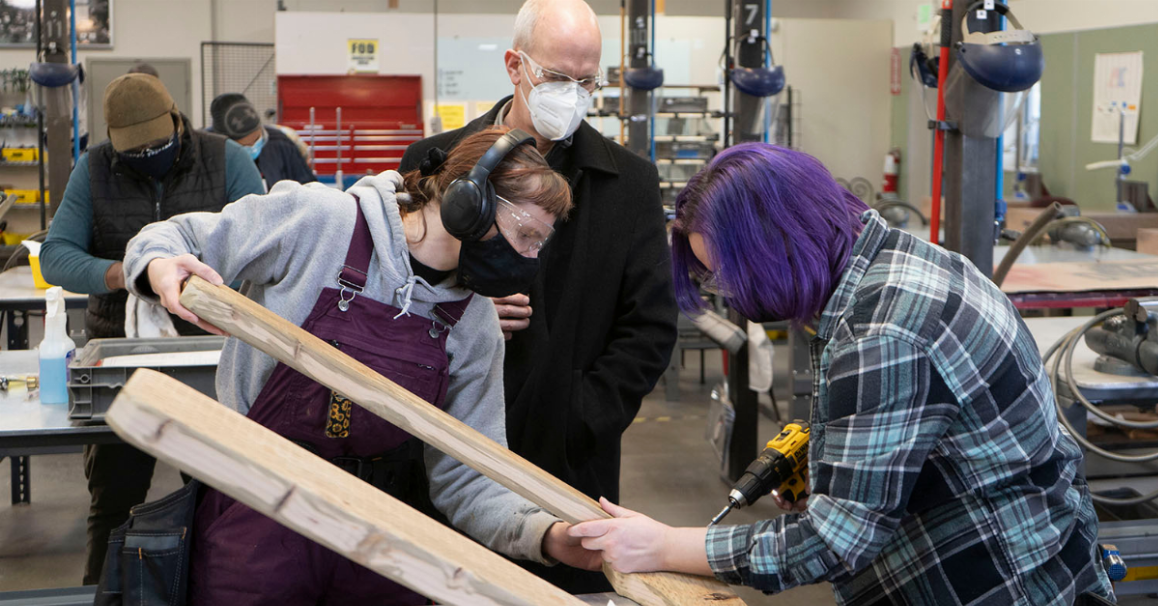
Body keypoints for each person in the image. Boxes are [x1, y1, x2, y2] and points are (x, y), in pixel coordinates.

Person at [566, 143, 1117, 606]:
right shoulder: (892, 260)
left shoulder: (883, 332)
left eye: (728, 277)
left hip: (996, 581)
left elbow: (834, 543)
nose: (730, 298)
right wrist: (841, 467)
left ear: (778, 243)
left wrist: (661, 545)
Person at [121, 127, 601, 604]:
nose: (530, 258)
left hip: (381, 531)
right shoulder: (320, 222)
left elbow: (469, 480)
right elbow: (176, 235)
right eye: (526, 236)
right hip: (259, 506)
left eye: (540, 244)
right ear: (468, 203)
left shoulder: (474, 323)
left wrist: (547, 535)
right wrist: (161, 265)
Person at [400, 1, 678, 593]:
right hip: (443, 443)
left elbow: (650, 328)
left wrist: (577, 415)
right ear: (514, 66)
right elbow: (395, 292)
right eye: (557, 78)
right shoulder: (437, 160)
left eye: (587, 81)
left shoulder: (627, 184)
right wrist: (464, 320)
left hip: (568, 466)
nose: (572, 95)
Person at [39, 73, 265, 584]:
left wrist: (202, 279)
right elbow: (56, 256)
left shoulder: (224, 159)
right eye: (133, 151)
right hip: (121, 357)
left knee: (220, 494)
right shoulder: (94, 169)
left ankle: (222, 590)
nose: (146, 157)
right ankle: (105, 591)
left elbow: (263, 242)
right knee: (115, 500)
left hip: (214, 356)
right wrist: (124, 273)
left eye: (156, 146)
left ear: (177, 123)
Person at [210, 92, 317, 186]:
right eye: (244, 146)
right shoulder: (208, 153)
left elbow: (307, 187)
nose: (253, 147)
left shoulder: (281, 143)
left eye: (257, 139)